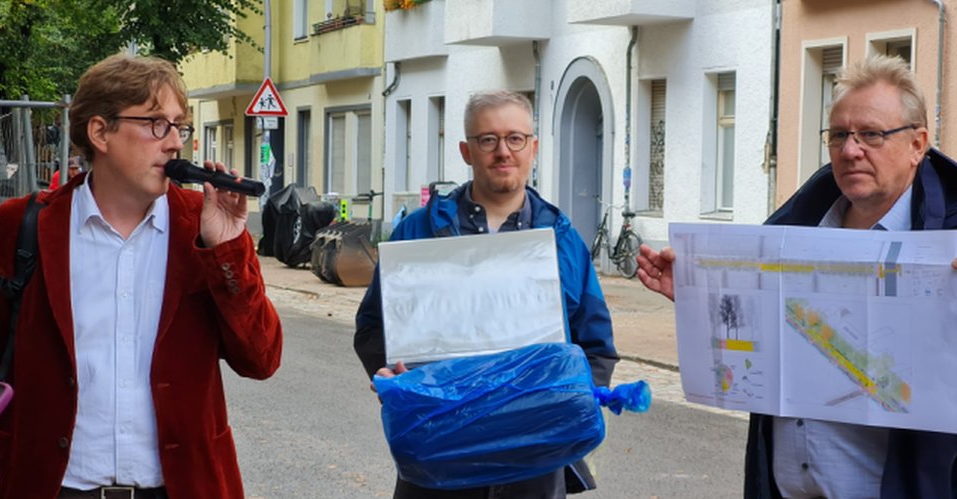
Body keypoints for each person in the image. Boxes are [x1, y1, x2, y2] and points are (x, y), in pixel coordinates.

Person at [0, 54, 283, 498]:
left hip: (178, 487)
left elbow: (261, 359)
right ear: (100, 132)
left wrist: (226, 248)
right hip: (51, 486)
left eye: (180, 126)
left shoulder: (202, 226)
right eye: (156, 124)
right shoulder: (26, 224)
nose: (175, 143)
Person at [637, 55, 957, 498]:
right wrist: (701, 295)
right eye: (839, 135)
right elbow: (769, 346)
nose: (850, 151)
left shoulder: (949, 239)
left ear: (917, 144)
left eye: (871, 134)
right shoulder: (795, 228)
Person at [354, 90, 618, 498]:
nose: (503, 151)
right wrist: (393, 377)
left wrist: (567, 401)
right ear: (466, 150)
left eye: (515, 138)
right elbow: (373, 327)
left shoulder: (563, 241)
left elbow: (597, 347)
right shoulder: (418, 232)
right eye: (488, 139)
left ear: (533, 148)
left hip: (533, 457)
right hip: (438, 450)